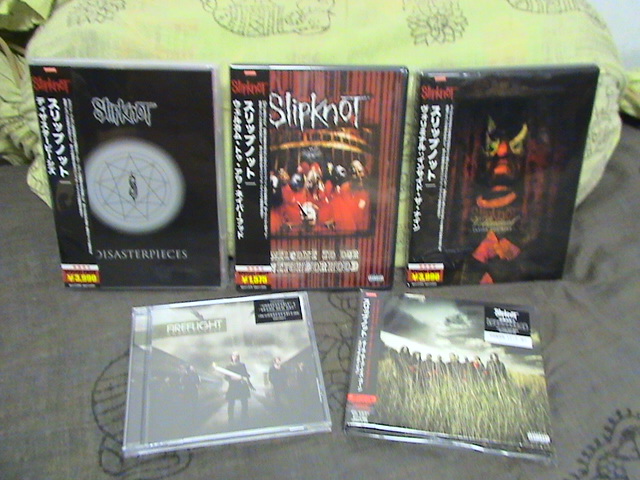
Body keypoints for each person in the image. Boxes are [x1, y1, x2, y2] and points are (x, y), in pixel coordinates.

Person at [224, 352, 252, 424]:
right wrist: (233, 378)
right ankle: (230, 418)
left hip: (242, 386)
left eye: (236, 356)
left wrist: (248, 381)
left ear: (238, 357)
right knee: (231, 403)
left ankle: (244, 416)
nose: (235, 357)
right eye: (233, 356)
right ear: (231, 357)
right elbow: (226, 377)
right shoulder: (228, 366)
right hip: (233, 386)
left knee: (244, 402)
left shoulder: (242, 365)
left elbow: (245, 374)